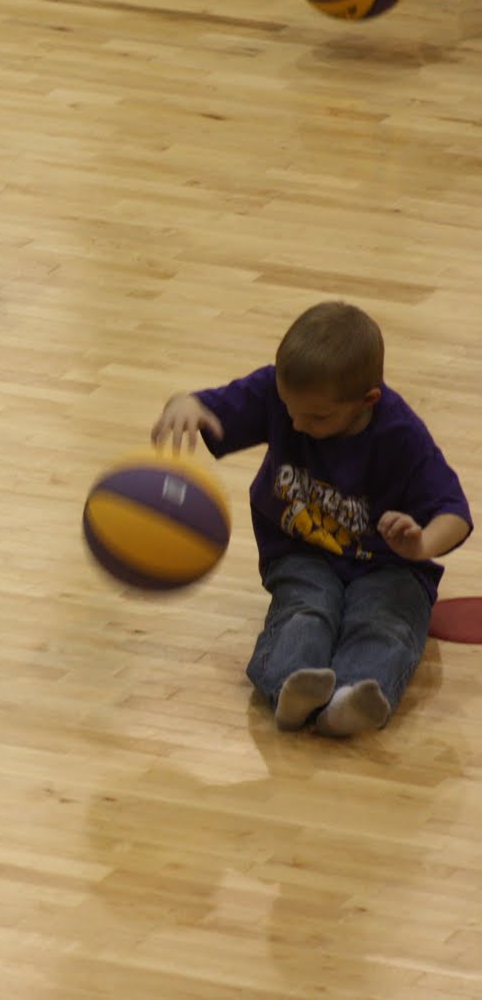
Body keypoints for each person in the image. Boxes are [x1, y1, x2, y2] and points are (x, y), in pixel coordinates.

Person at [151, 302, 471, 736]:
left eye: (317, 417)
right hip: (300, 552)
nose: (297, 424)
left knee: (387, 623)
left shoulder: (401, 436)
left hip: (390, 564)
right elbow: (206, 405)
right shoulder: (283, 394)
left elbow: (454, 512)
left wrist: (421, 545)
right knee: (304, 612)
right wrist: (182, 403)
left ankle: (350, 701)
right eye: (289, 409)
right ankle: (290, 689)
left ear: (368, 400)